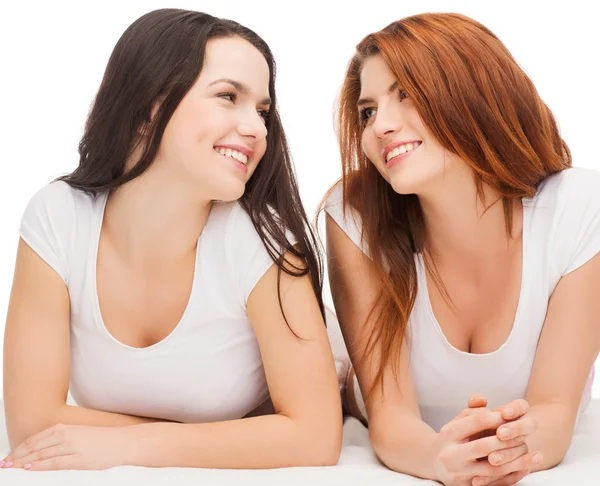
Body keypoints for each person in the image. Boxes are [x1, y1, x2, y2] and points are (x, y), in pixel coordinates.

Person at [2, 8, 342, 471]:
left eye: (262, 111)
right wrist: (230, 440)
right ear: (147, 110)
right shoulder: (58, 217)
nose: (257, 128)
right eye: (228, 96)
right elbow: (34, 422)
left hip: (347, 380)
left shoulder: (262, 240)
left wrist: (130, 447)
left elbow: (316, 436)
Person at [324, 12, 600, 486]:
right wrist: (436, 457)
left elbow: (555, 411)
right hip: (345, 383)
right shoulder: (354, 214)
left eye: (405, 94)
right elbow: (389, 418)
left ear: (474, 91)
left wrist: (510, 452)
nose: (381, 127)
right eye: (368, 111)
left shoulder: (579, 210)